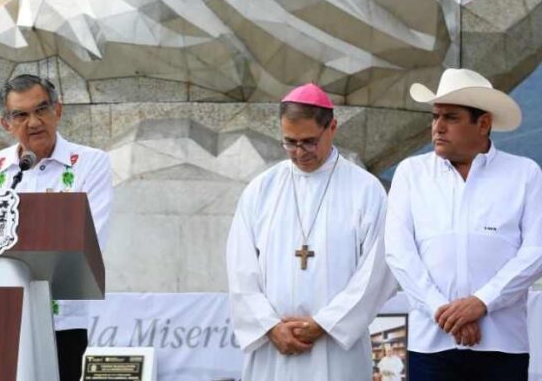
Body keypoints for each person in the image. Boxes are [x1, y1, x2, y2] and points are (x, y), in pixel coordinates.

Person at [226, 84, 397, 380]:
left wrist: (326, 323)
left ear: (332, 128)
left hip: (336, 348)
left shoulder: (366, 190)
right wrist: (269, 326)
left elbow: (377, 270)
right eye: (290, 143)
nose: (299, 152)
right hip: (273, 348)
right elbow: (240, 267)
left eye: (309, 142)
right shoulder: (261, 189)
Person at [385, 68, 542, 381]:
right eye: (435, 116)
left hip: (502, 343)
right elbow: (399, 252)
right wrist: (442, 312)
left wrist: (482, 302)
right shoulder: (411, 173)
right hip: (430, 343)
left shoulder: (524, 173)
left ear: (483, 124)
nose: (438, 127)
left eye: (451, 117)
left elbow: (536, 250)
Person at [0, 74, 113, 381]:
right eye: (21, 115)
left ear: (58, 110)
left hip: (62, 322)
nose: (34, 122)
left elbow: (89, 240)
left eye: (41, 109)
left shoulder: (91, 163)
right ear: (6, 123)